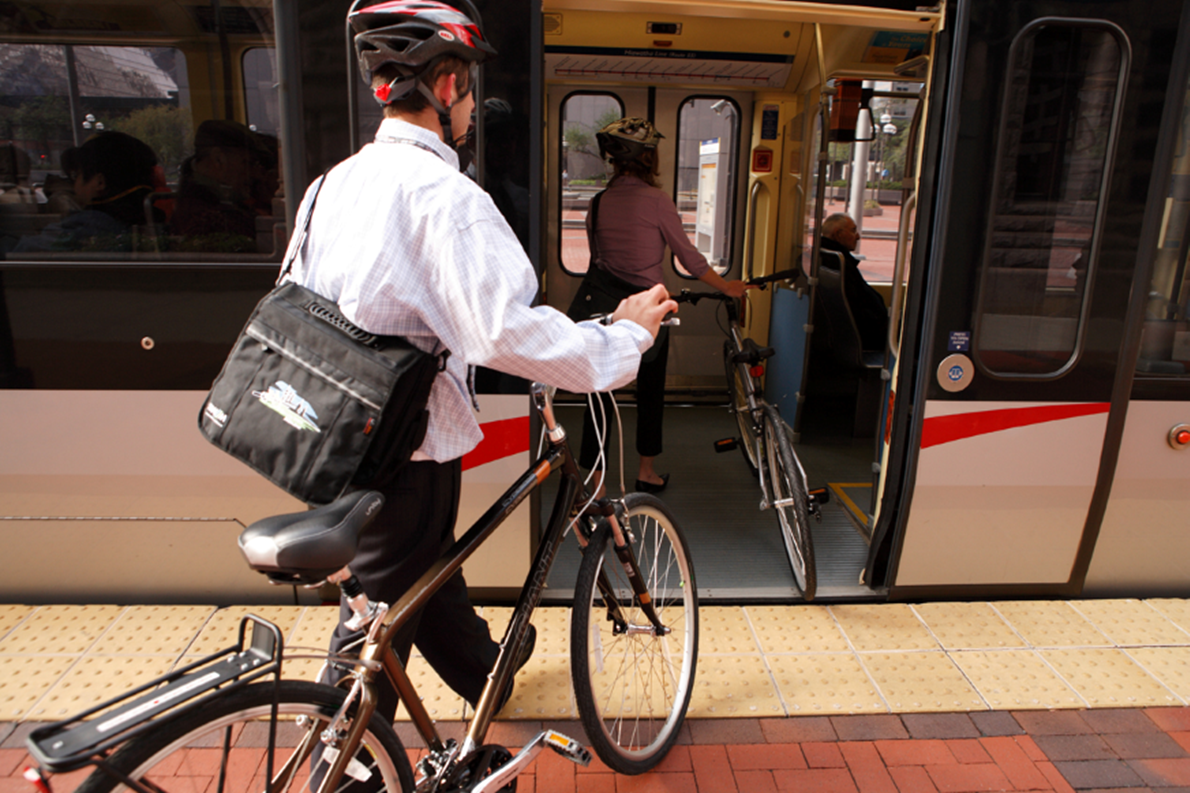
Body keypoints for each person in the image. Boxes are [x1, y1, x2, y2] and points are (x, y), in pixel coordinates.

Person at [288, 0, 676, 732]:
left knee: (425, 566)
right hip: (401, 450)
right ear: (443, 83)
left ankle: (483, 677)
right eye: (467, 83)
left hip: (331, 432)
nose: (471, 106)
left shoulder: (329, 185)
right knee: (374, 626)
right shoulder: (446, 196)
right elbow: (499, 334)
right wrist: (624, 339)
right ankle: (336, 756)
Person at [568, 116, 750, 495]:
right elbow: (690, 260)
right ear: (648, 159)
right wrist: (727, 287)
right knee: (651, 392)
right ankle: (646, 472)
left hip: (608, 310)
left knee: (599, 397)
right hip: (650, 310)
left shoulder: (598, 202)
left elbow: (596, 257)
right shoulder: (657, 201)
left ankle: (596, 482)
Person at [11, 131, 160, 253]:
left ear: (100, 182)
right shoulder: (151, 222)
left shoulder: (86, 227)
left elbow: (20, 254)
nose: (74, 186)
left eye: (77, 176)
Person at [170, 119, 260, 250]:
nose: (254, 174)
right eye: (246, 163)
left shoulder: (193, 202)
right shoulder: (208, 217)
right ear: (219, 159)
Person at [819, 212, 888, 351]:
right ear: (838, 234)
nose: (858, 236)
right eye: (853, 230)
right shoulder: (841, 264)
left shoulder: (828, 259)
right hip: (865, 335)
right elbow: (856, 307)